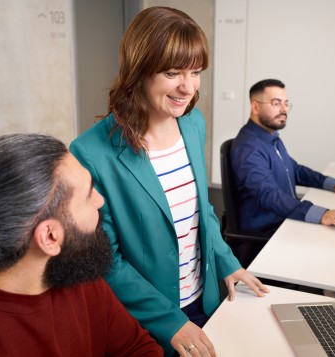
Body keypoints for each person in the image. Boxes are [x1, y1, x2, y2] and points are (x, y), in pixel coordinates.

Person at [70, 6, 269, 357]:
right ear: (139, 70)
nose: (187, 88)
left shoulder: (193, 124)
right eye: (172, 72)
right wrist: (169, 320)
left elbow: (201, 210)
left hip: (205, 301)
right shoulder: (91, 152)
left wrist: (228, 263)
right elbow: (107, 260)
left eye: (195, 72)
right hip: (148, 319)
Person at [0, 133, 163, 357]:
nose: (100, 200)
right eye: (88, 195)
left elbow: (138, 348)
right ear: (50, 237)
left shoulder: (79, 270)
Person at [231, 78, 335, 239]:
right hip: (268, 230)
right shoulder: (248, 146)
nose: (284, 109)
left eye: (286, 103)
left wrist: (334, 184)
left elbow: (294, 169)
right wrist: (322, 214)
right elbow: (268, 195)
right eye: (276, 103)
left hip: (284, 217)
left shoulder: (270, 135)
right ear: (255, 106)